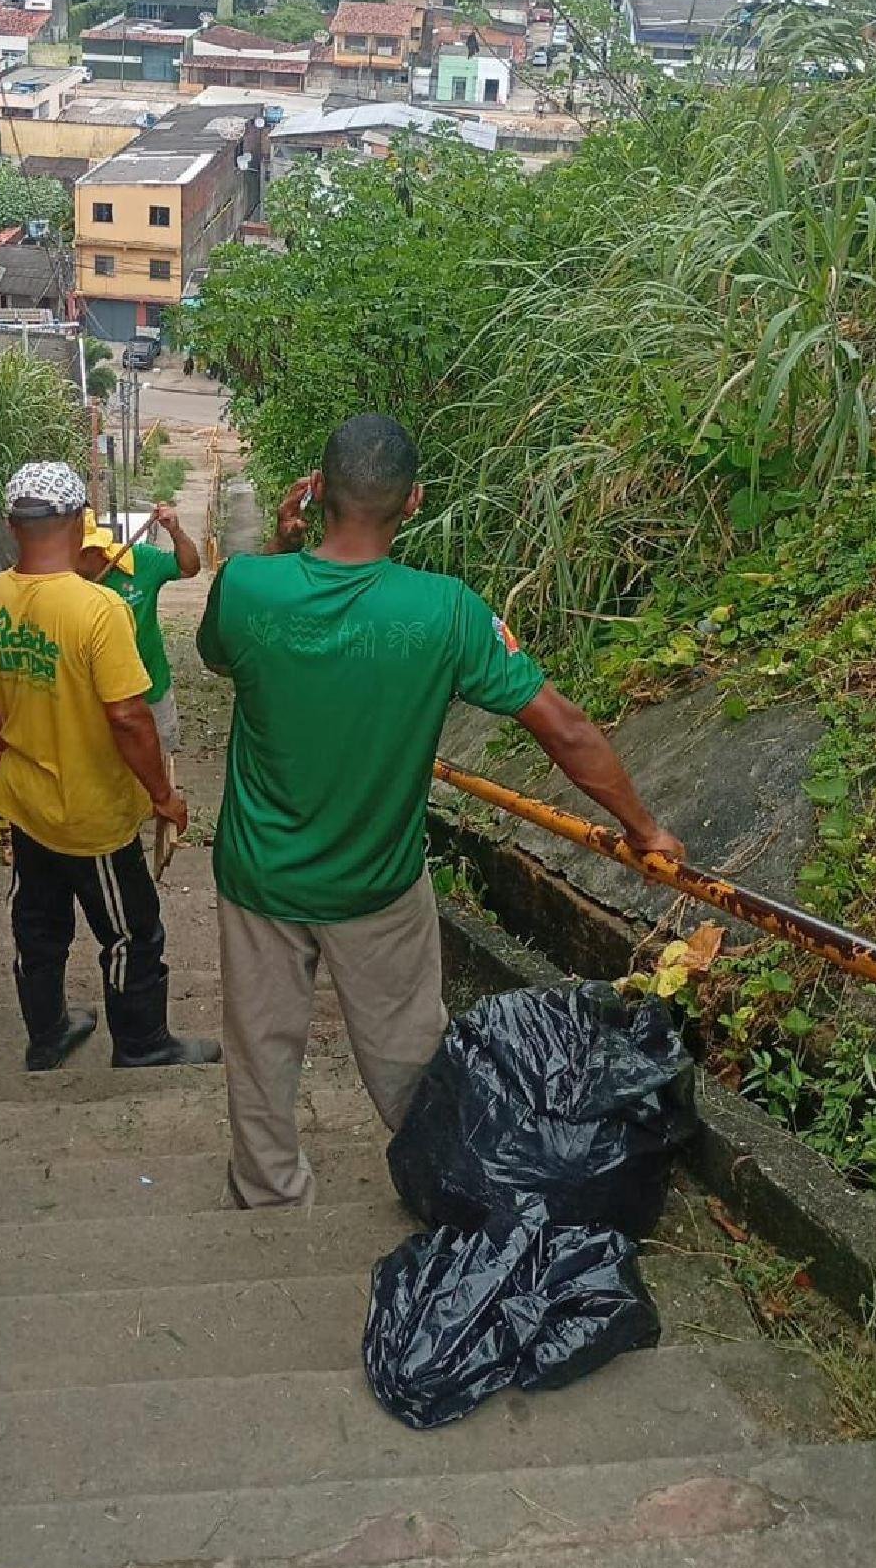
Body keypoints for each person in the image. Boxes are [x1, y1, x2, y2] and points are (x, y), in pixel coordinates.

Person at [196, 413, 685, 1209]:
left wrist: (283, 552)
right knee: (408, 1052)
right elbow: (562, 726)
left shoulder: (247, 586)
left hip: (259, 878)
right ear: (413, 501)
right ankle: (438, 1182)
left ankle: (269, 1193)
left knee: (260, 1050)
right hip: (378, 886)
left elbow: (224, 654)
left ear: (315, 491)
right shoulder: (447, 611)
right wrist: (645, 829)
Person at [0, 459, 221, 1075]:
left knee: (37, 926)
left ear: (11, 523)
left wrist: (0, 754)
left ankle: (47, 1034)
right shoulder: (98, 610)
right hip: (93, 811)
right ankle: (141, 1042)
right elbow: (129, 717)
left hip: (26, 802)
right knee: (132, 931)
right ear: (79, 523)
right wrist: (163, 794)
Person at [77, 501, 201, 760]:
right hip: (92, 698)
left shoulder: (139, 560)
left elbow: (190, 567)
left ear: (92, 550)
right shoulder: (63, 581)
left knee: (158, 759)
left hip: (151, 688)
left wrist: (175, 531)